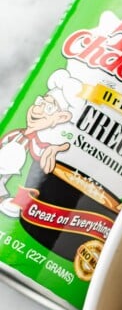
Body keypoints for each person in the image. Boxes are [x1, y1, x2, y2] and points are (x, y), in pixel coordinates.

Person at [0, 69, 81, 217]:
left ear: (61, 117)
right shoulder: (15, 134)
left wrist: (52, 152)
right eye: (40, 102)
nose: (38, 110)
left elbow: (43, 162)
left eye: (49, 108)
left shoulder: (39, 145)